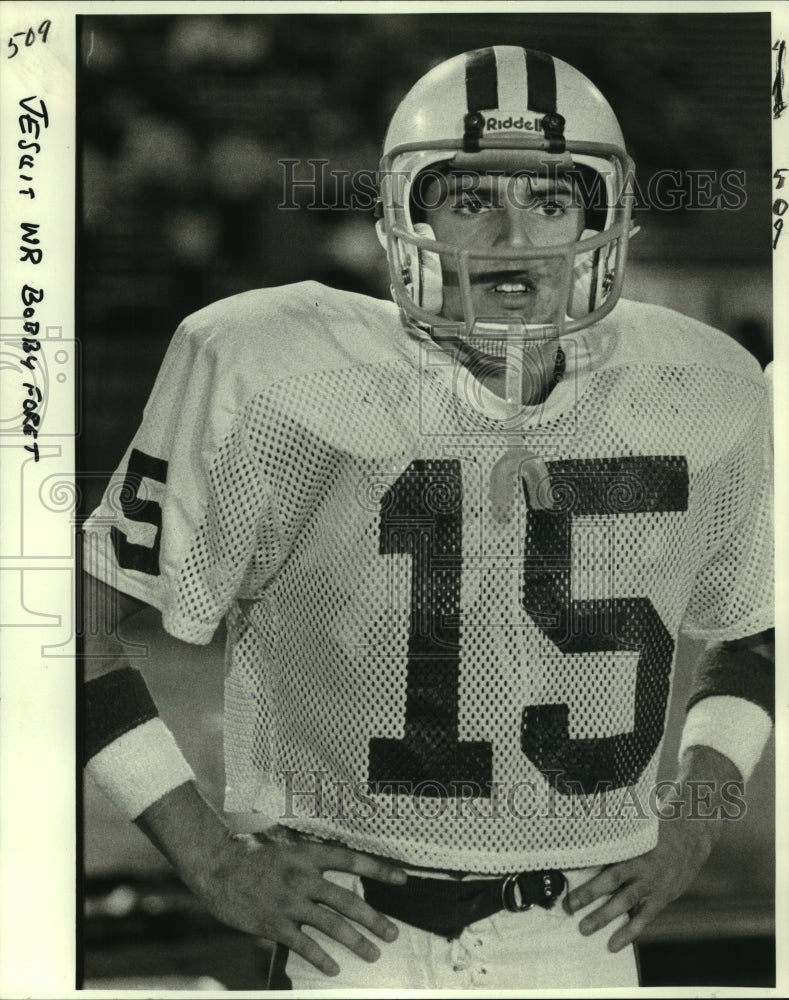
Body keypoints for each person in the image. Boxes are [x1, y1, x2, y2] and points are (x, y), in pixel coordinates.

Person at [81, 45, 774, 990]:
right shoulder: (270, 367)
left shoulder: (706, 385)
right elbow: (75, 631)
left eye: (551, 200)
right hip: (349, 934)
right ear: (407, 214)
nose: (513, 233)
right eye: (470, 198)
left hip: (579, 933)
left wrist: (695, 816)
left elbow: (755, 635)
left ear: (600, 217)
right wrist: (210, 859)